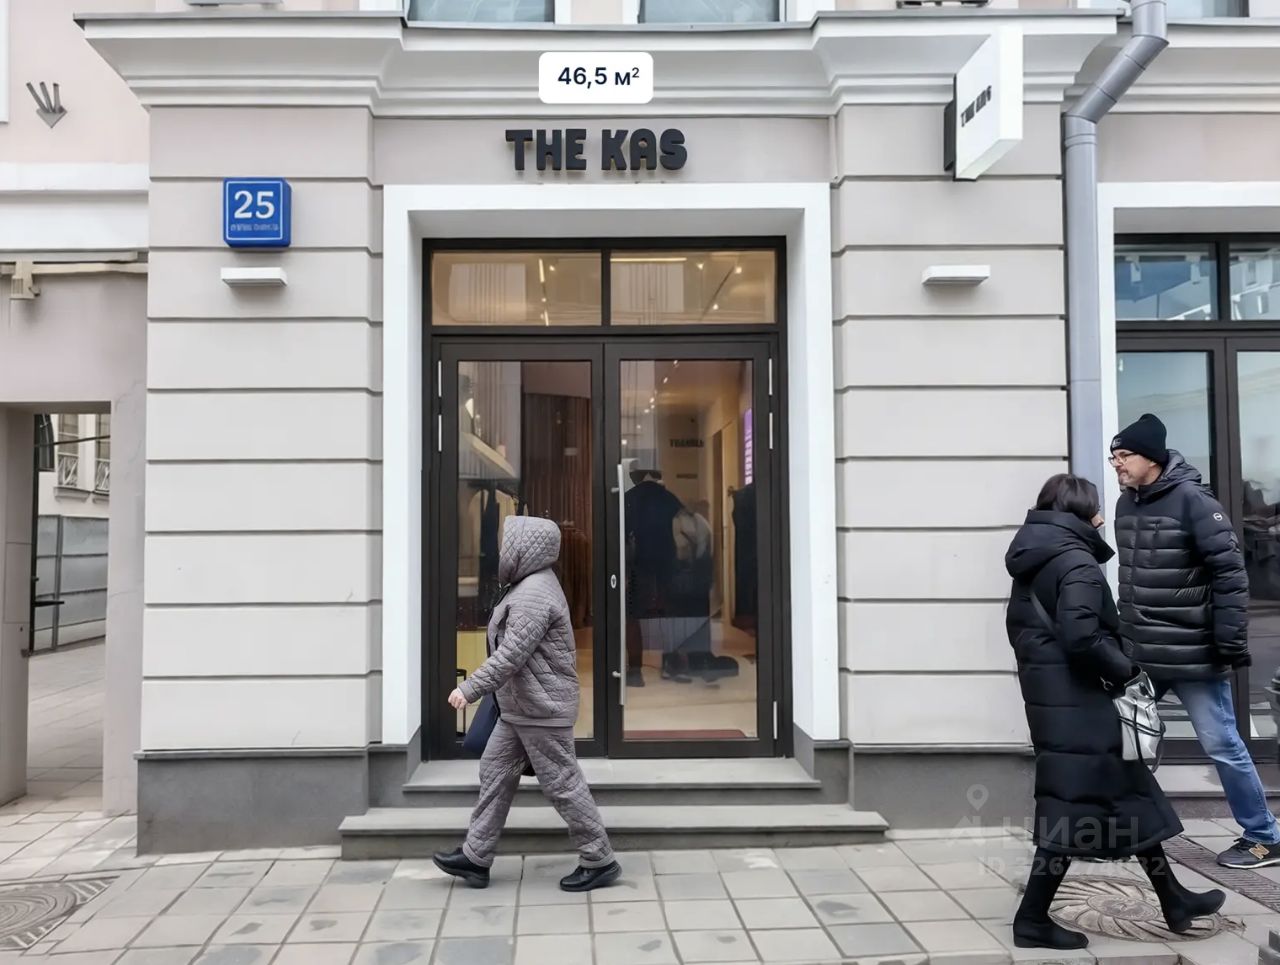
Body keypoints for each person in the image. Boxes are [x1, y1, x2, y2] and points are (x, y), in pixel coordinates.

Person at [1005, 474, 1224, 949]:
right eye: (1096, 509)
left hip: (1057, 702)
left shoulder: (1034, 560)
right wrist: (1127, 672)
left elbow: (1025, 633)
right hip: (1080, 705)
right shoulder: (1076, 563)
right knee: (1071, 807)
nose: (1102, 517)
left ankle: (1173, 899)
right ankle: (1032, 919)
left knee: (1129, 793)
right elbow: (1081, 636)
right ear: (1081, 512)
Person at [1111, 413, 1280, 869]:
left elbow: (1230, 575)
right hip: (1143, 653)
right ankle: (1125, 828)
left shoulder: (1194, 502)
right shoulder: (1127, 504)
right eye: (1114, 457)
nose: (1117, 463)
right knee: (1126, 742)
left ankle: (1264, 836)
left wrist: (1229, 641)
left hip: (1193, 655)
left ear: (1152, 458)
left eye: (1124, 455)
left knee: (1222, 743)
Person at [434, 516, 621, 892]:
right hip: (521, 708)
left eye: (507, 542)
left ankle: (599, 859)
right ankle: (476, 857)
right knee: (494, 771)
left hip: (542, 709)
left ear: (524, 548)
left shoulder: (534, 594)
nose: (501, 549)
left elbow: (510, 655)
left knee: (562, 783)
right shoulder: (526, 585)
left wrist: (470, 689)